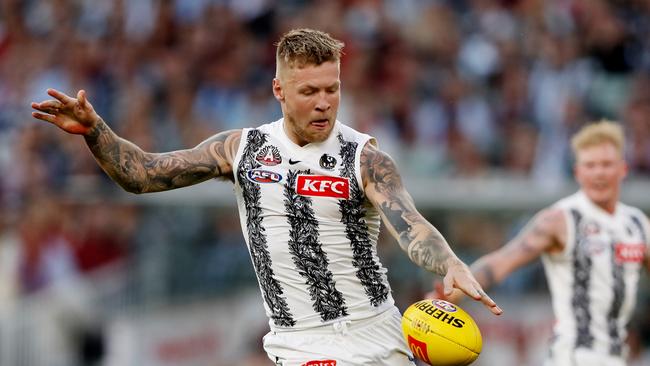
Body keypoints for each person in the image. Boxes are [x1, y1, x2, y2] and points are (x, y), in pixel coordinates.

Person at [31, 28, 501, 366]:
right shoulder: (243, 149)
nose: (324, 103)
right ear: (279, 89)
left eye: (333, 90)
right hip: (300, 343)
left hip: (374, 332)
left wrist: (449, 262)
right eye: (309, 91)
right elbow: (143, 174)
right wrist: (95, 131)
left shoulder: (364, 158)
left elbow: (411, 225)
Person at [435, 121, 650, 366]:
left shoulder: (637, 224)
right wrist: (459, 287)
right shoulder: (559, 220)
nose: (599, 173)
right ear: (578, 172)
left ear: (622, 169)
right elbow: (502, 261)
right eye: (591, 165)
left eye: (606, 165)